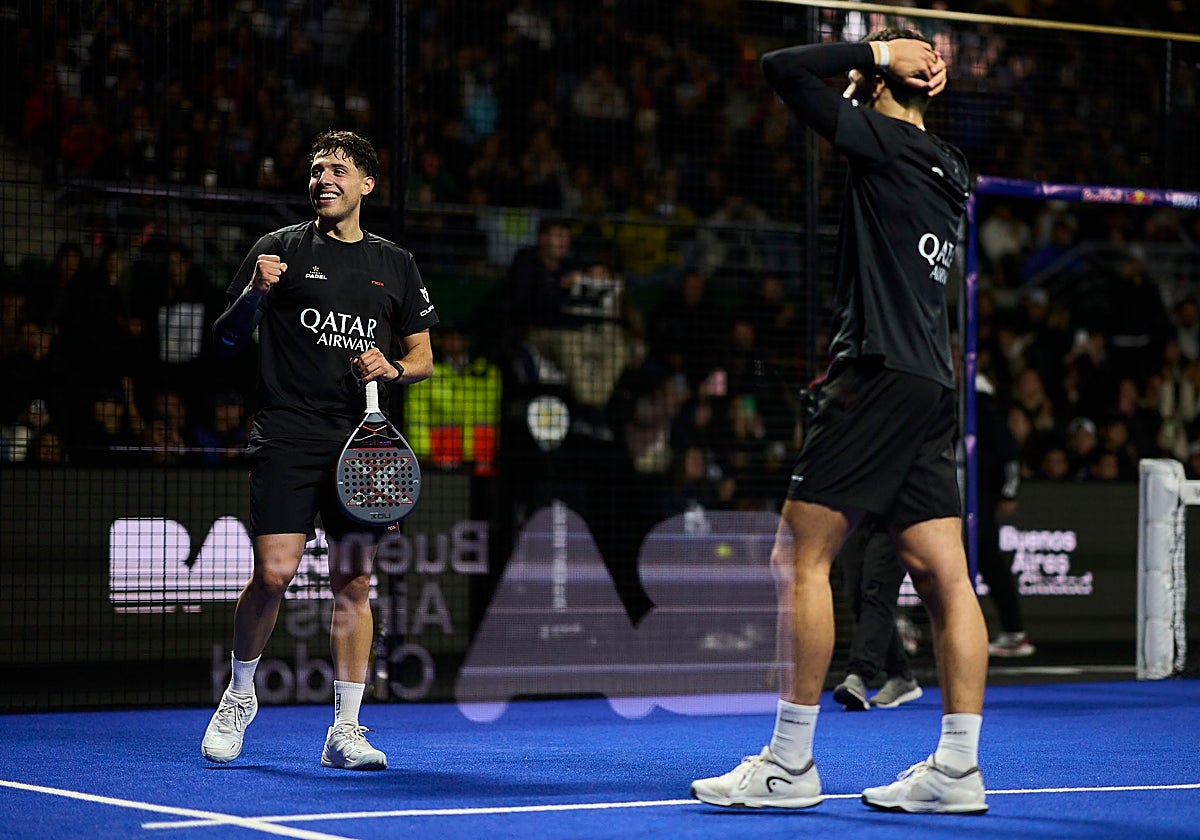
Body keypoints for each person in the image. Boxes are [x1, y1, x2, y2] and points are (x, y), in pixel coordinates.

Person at [691, 31, 990, 815]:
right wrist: (885, 73)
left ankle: (789, 764)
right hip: (929, 384)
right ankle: (958, 770)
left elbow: (781, 68)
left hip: (875, 373)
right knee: (944, 576)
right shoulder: (950, 165)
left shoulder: (884, 142)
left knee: (799, 558)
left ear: (887, 77)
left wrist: (873, 55)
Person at [202, 130, 437, 770]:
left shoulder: (396, 263)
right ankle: (239, 695)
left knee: (354, 582)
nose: (323, 179)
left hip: (360, 445)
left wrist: (392, 368)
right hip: (286, 433)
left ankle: (346, 730)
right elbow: (225, 340)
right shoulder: (278, 249)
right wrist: (256, 292)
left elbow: (423, 357)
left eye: (337, 170)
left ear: (367, 184)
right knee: (274, 573)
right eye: (316, 170)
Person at [832, 517, 923, 710]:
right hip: (853, 514)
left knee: (878, 591)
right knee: (856, 596)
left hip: (894, 515)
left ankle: (859, 676)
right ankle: (900, 674)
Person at [975, 367, 1034, 658]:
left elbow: (1011, 456)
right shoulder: (969, 406)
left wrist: (1008, 493)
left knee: (986, 562)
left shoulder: (982, 407)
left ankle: (1014, 632)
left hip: (979, 503)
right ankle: (1014, 631)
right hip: (965, 500)